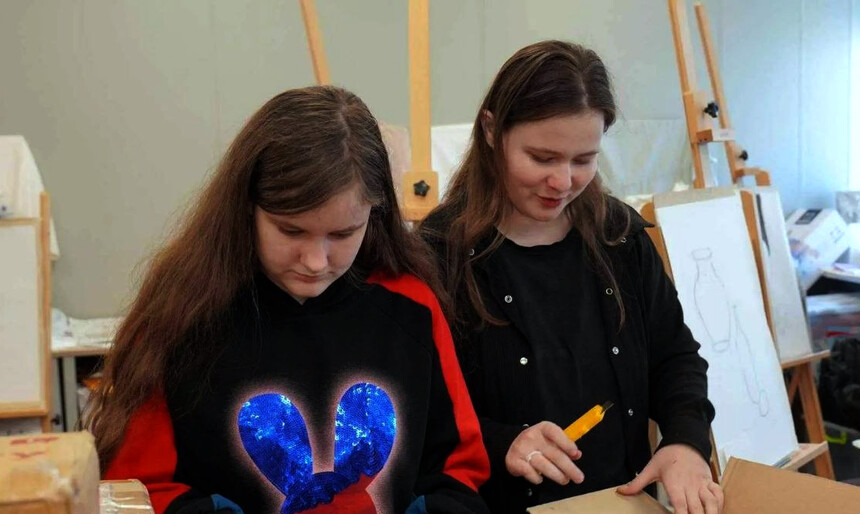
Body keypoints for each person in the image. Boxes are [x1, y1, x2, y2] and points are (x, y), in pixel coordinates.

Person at [88, 86, 490, 514]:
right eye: (291, 231)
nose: (315, 261)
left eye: (343, 233)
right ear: (246, 208)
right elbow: (136, 490)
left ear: (375, 216)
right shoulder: (184, 315)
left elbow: (459, 470)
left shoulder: (411, 307)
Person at [419, 41, 722, 514]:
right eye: (542, 158)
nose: (563, 182)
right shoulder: (439, 256)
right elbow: (420, 409)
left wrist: (685, 441)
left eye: (583, 160)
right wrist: (502, 442)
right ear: (492, 131)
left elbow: (674, 357)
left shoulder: (620, 237)